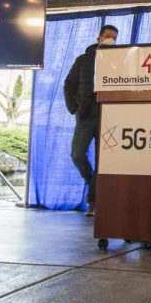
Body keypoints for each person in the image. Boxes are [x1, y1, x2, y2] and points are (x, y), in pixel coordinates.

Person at [63, 24, 118, 215]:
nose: (111, 40)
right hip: (85, 116)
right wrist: (74, 108)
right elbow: (68, 85)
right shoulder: (83, 60)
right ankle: (91, 183)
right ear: (99, 39)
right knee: (77, 155)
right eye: (108, 37)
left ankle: (93, 202)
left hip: (107, 118)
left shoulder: (119, 62)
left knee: (103, 162)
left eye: (114, 38)